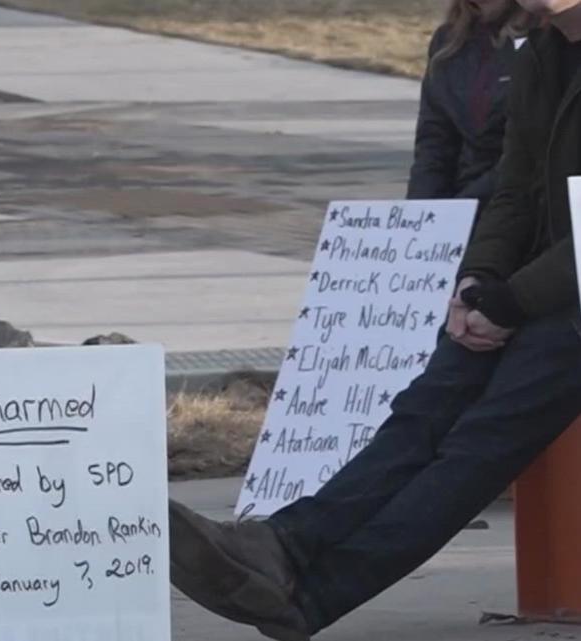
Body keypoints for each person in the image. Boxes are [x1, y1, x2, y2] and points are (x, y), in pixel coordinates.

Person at [168, 0, 581, 639]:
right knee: (426, 406)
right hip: (536, 285)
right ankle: (282, 547)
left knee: (480, 441)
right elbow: (515, 193)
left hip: (562, 301)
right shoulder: (541, 57)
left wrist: (512, 300)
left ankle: (312, 596)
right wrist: (478, 280)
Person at [407, 0, 534, 211]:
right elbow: (434, 143)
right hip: (458, 205)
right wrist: (420, 215)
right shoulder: (447, 42)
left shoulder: (546, 40)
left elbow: (531, 154)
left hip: (521, 207)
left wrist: (464, 208)